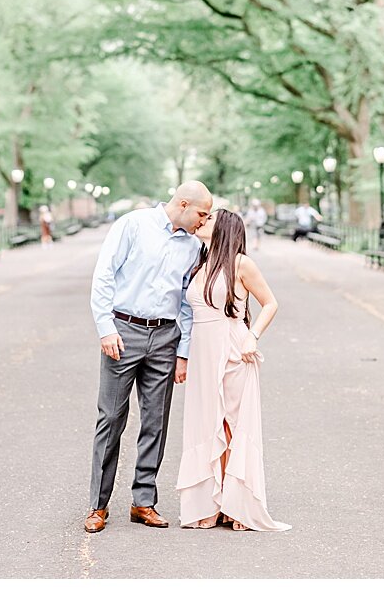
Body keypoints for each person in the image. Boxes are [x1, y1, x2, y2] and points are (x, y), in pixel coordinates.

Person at [84, 182, 212, 534]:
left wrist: (183, 352)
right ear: (183, 204)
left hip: (166, 336)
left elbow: (188, 302)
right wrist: (105, 327)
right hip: (123, 331)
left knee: (156, 421)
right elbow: (104, 274)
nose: (204, 221)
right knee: (110, 418)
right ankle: (98, 505)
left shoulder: (193, 247)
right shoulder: (133, 225)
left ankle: (143, 502)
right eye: (202, 213)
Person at [177, 209, 290, 532]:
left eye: (208, 219)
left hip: (232, 347)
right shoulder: (199, 263)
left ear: (224, 228)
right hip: (203, 351)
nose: (201, 222)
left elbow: (270, 303)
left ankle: (237, 504)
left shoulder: (241, 264)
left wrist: (252, 337)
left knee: (231, 424)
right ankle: (212, 503)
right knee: (207, 423)